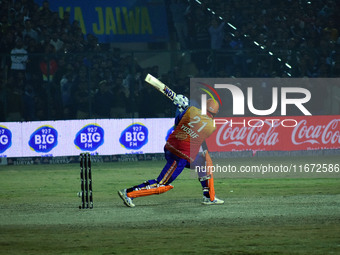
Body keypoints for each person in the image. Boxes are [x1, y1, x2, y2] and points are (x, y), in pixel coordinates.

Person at [118, 95, 224, 207]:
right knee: (162, 184)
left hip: (170, 147)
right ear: (215, 113)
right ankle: (129, 193)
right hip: (180, 155)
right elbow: (199, 130)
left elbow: (177, 123)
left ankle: (208, 196)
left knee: (203, 164)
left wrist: (182, 110)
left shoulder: (191, 110)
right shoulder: (211, 126)